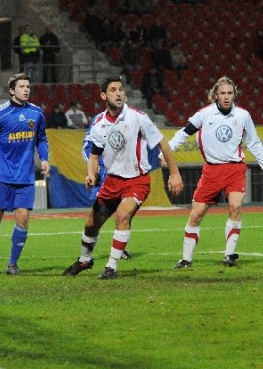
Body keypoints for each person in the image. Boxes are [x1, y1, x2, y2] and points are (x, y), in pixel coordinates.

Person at [63, 76, 183, 279]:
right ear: (103, 96)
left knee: (122, 215)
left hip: (137, 181)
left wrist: (175, 173)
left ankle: (111, 267)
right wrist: (91, 174)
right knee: (91, 224)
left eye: (120, 89)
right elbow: (94, 156)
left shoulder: (138, 117)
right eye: (113, 90)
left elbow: (163, 143)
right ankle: (85, 260)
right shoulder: (99, 123)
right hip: (112, 181)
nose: (118, 93)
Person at [168, 76, 263, 268]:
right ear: (215, 95)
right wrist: (167, 151)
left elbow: (254, 143)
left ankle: (229, 255)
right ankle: (186, 259)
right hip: (211, 171)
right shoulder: (204, 114)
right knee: (196, 215)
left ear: (234, 95)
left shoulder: (243, 115)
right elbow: (183, 133)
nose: (226, 97)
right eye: (223, 93)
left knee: (235, 207)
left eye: (230, 93)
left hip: (235, 169)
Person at [0, 73, 50, 276]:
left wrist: (44, 158)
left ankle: (12, 264)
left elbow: (41, 138)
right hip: (2, 174)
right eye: (21, 87)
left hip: (25, 176)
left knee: (23, 217)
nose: (26, 90)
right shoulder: (0, 113)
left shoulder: (36, 113)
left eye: (28, 86)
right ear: (12, 90)